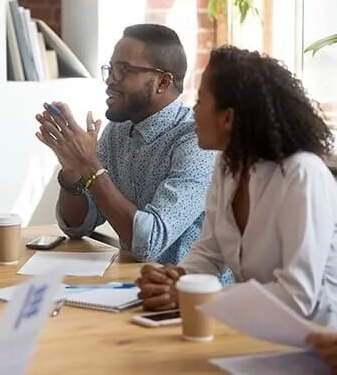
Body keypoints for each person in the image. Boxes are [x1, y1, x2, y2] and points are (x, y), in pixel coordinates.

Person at [137, 46, 337, 327]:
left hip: (317, 348)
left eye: (200, 101)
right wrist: (176, 281)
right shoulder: (227, 166)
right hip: (255, 334)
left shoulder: (302, 175)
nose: (193, 111)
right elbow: (209, 253)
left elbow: (297, 296)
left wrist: (199, 296)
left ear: (227, 118)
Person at [36, 24, 215, 265]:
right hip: (132, 285)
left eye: (124, 70)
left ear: (163, 82)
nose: (110, 80)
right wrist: (72, 173)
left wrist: (90, 165)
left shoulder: (197, 142)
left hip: (189, 295)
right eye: (110, 69)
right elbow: (79, 226)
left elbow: (149, 242)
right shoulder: (117, 132)